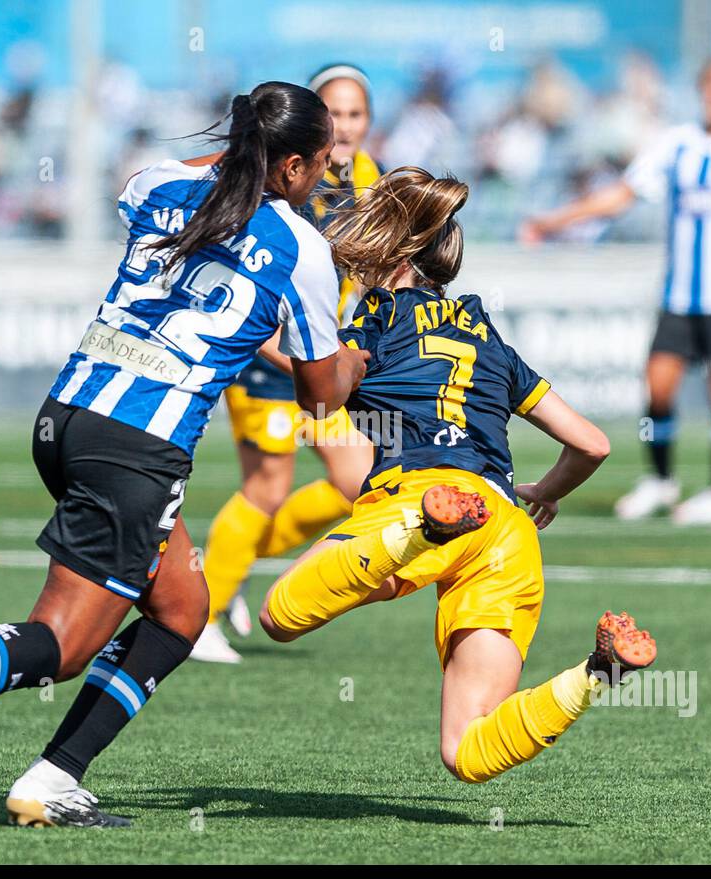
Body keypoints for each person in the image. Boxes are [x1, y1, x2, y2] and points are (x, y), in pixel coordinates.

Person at [0, 81, 370, 827]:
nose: (325, 178)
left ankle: (54, 776)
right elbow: (322, 402)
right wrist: (365, 357)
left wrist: (237, 155)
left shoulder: (160, 181)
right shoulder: (302, 249)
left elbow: (171, 186)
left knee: (181, 609)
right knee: (61, 644)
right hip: (137, 447)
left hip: (65, 417)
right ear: (290, 167)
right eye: (320, 165)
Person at [259, 167, 656, 785]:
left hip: (420, 497)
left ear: (391, 248)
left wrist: (252, 324)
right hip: (502, 524)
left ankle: (422, 535)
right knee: (468, 752)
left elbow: (321, 394)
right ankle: (597, 673)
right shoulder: (488, 338)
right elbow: (593, 444)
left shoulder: (377, 319)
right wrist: (546, 494)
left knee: (281, 617)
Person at [522, 52, 711, 526]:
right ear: (703, 89)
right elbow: (621, 195)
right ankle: (661, 481)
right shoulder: (677, 143)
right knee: (658, 388)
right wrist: (556, 220)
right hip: (680, 295)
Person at [194, 64, 381, 663]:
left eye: (355, 114)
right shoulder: (278, 180)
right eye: (334, 114)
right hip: (265, 352)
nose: (345, 127)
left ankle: (229, 561)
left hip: (314, 355)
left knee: (358, 481)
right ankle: (198, 615)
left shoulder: (369, 179)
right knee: (268, 487)